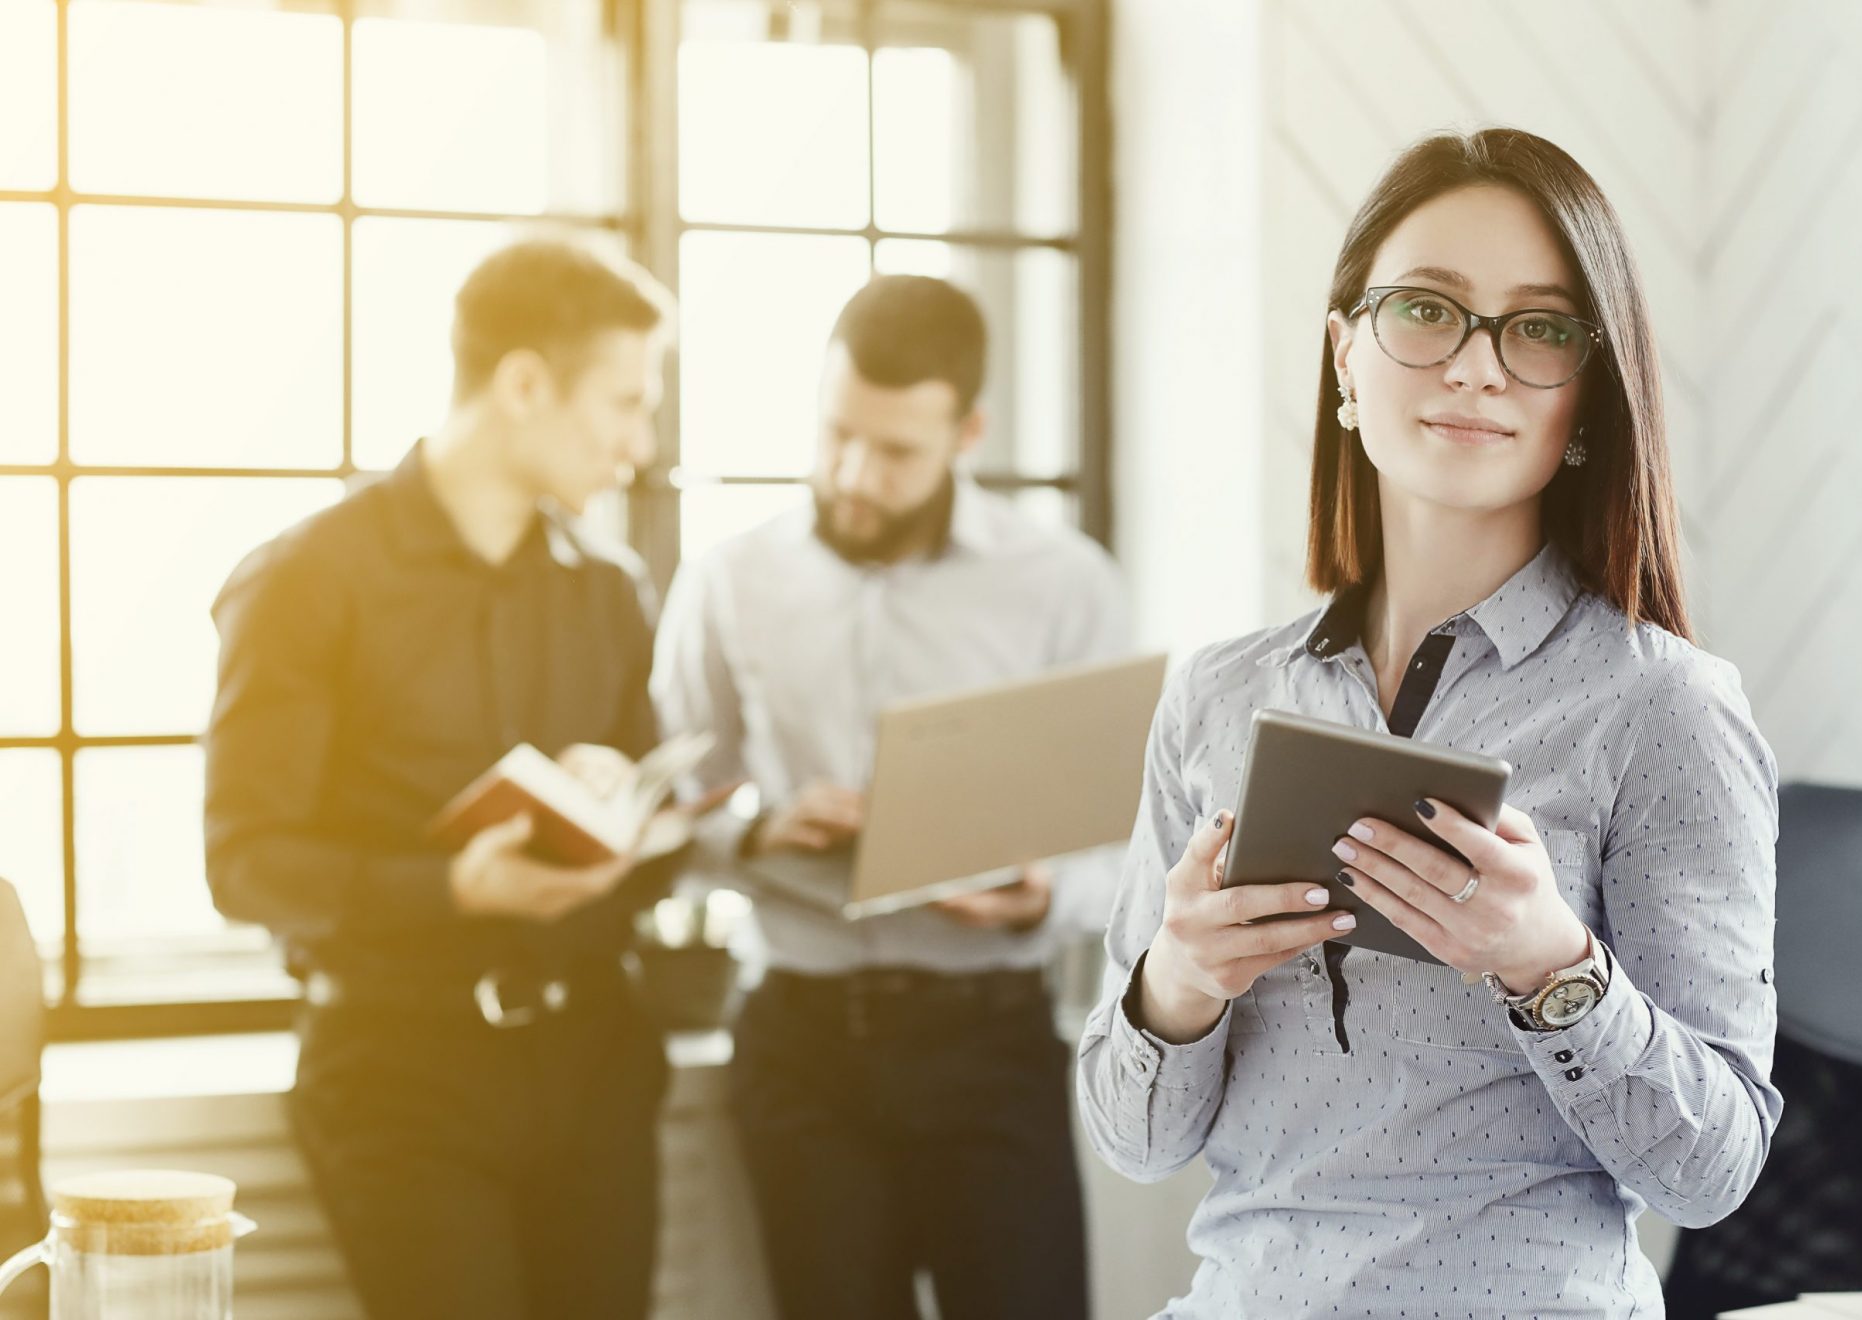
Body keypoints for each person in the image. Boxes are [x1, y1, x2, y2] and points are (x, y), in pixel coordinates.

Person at [1076, 128, 1782, 1318]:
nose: (1475, 368)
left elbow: (1711, 1173)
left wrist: (1551, 965)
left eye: (1541, 329)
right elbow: (1133, 1138)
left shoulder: (1666, 710)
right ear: (1346, 356)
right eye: (1427, 311)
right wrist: (1182, 975)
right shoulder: (1215, 694)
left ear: (1588, 396)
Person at [205, 237, 678, 1320]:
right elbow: (242, 863)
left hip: (595, 1061)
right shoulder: (307, 579)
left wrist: (625, 807)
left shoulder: (611, 592)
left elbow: (649, 850)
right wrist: (456, 889)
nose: (638, 446)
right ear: (522, 385)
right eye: (623, 403)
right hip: (398, 1074)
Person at [655, 274, 1128, 1320]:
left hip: (992, 1044)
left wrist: (1045, 895)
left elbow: (1137, 851)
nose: (855, 475)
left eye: (897, 451)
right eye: (836, 435)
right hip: (800, 1048)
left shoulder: (1065, 585)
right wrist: (756, 832)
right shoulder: (728, 582)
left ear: (969, 431)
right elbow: (667, 817)